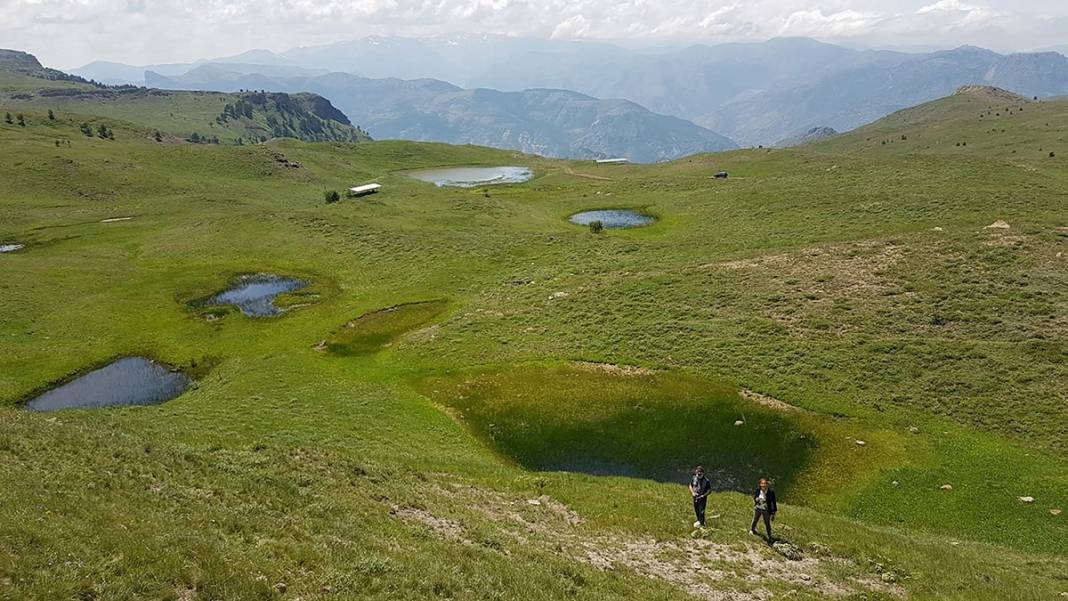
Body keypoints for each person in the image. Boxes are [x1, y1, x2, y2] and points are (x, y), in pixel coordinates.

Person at [749, 477, 777, 542]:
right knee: (755, 519)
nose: (763, 485)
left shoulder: (771, 492)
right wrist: (757, 499)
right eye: (762, 484)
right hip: (758, 507)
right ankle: (752, 530)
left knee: (767, 523)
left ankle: (769, 535)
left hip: (766, 510)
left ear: (767, 484)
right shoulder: (758, 490)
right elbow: (755, 497)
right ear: (760, 484)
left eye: (765, 484)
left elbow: (774, 503)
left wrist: (774, 513)